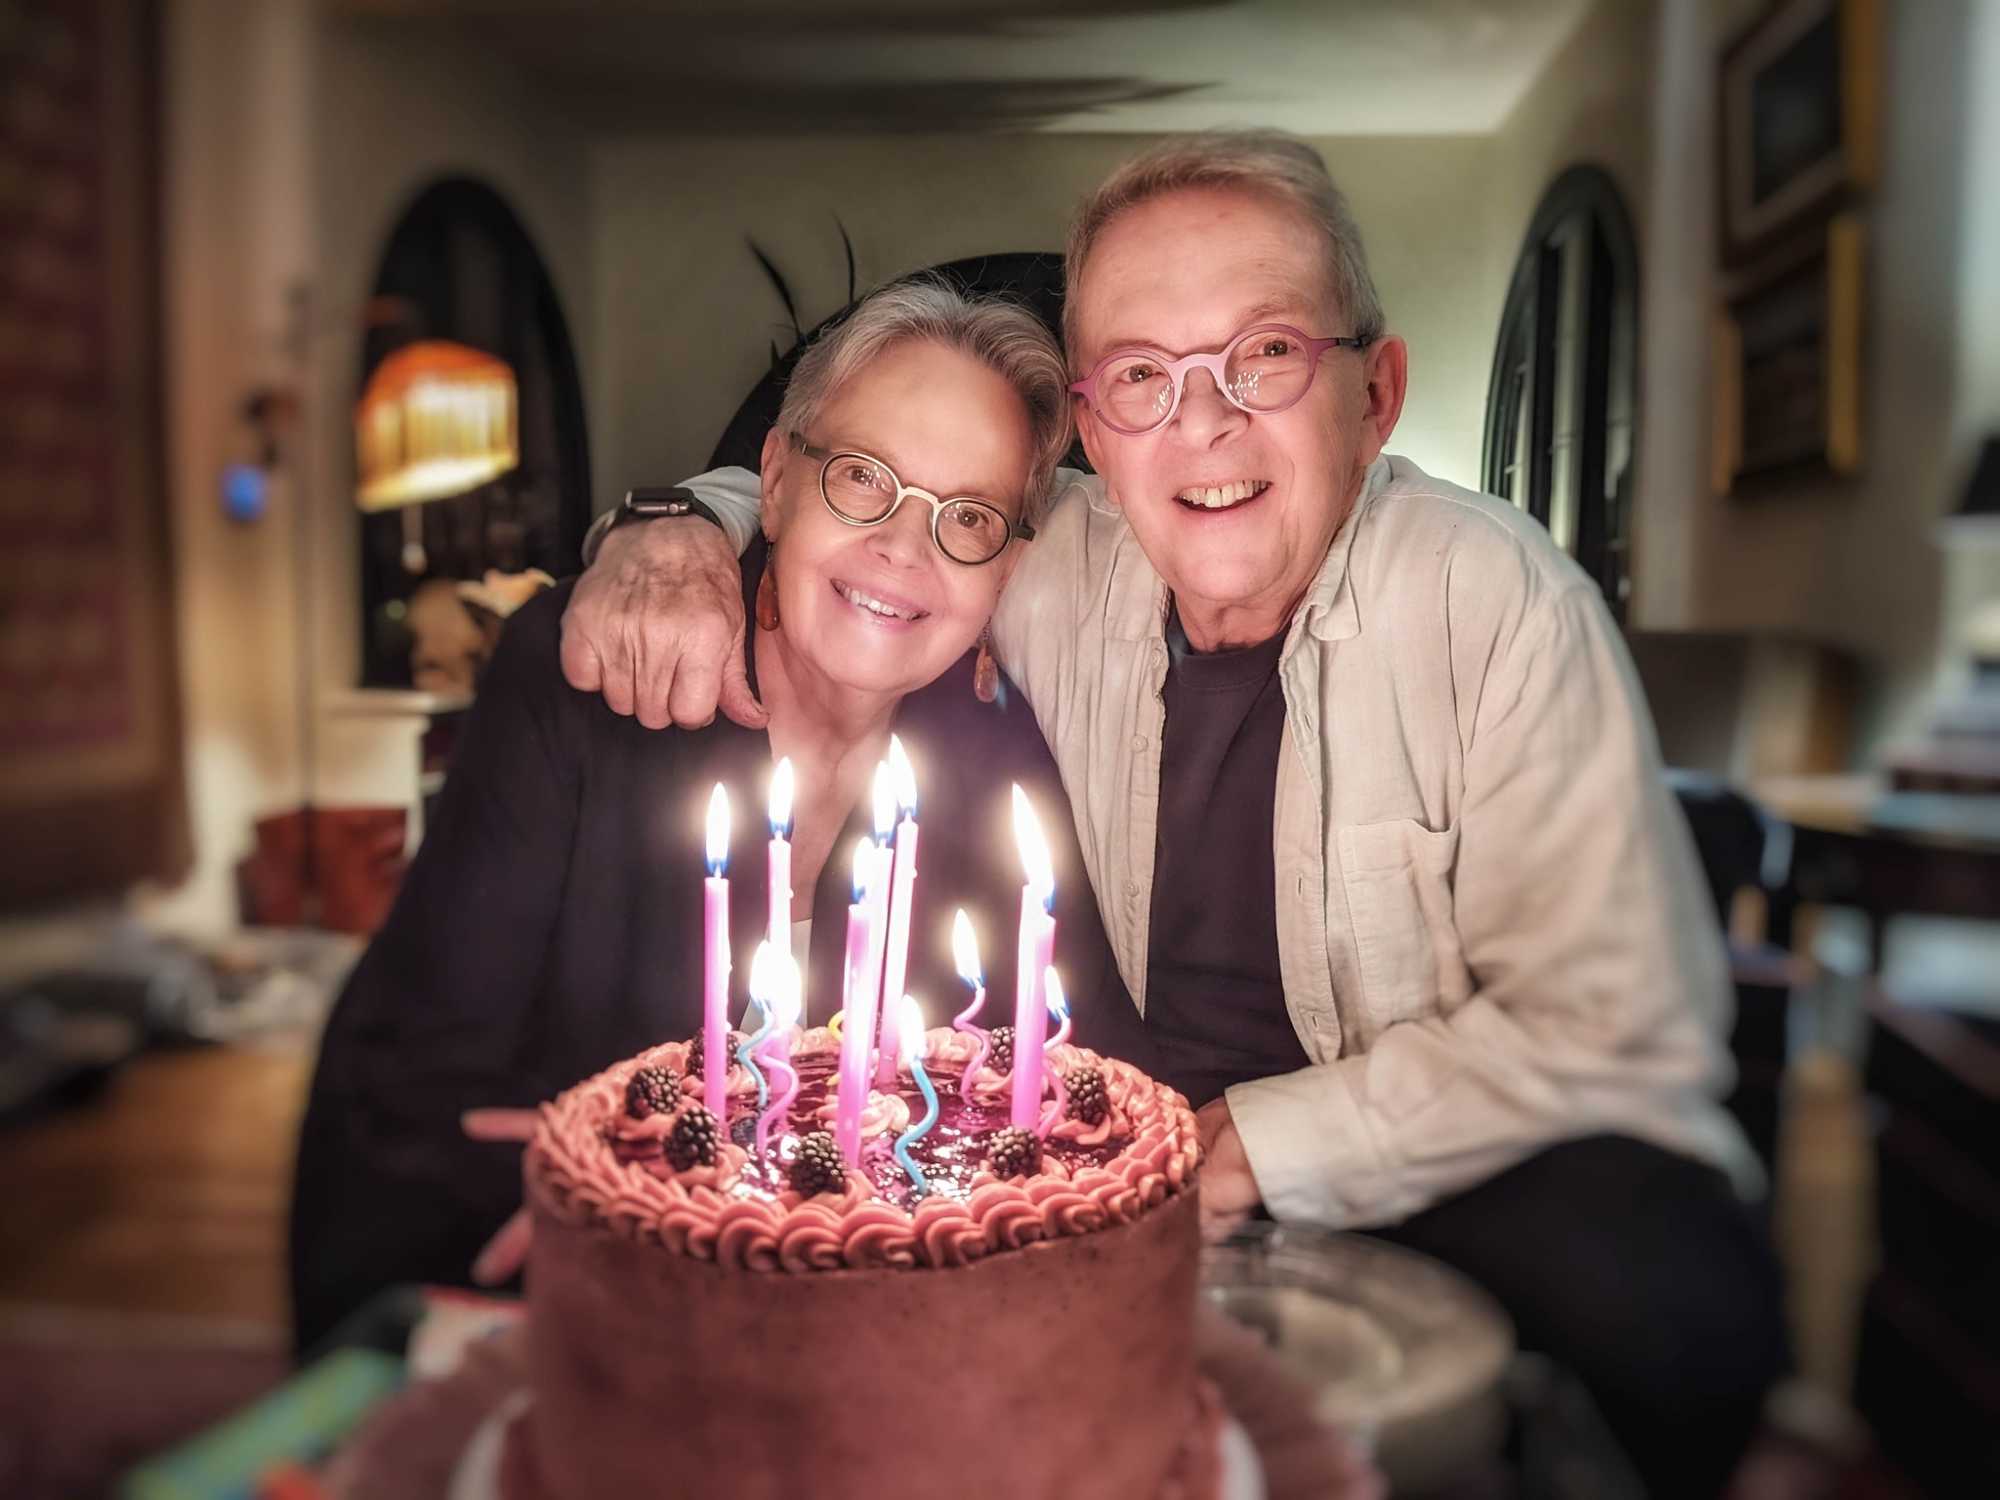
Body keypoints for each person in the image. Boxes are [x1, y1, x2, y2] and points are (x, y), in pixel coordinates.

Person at [558, 132, 1790, 1495]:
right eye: (1142, 377)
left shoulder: (1498, 604)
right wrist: (677, 517)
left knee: (1678, 1299)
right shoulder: (1049, 560)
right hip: (1114, 1147)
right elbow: (869, 513)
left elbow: (1614, 1019)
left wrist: (1262, 1146)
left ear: (1373, 394)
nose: (1199, 428)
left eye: (1263, 355)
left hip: (1447, 1156)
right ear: (1090, 428)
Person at [288, 281, 1149, 1353]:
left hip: (848, 1317)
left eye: (966, 516)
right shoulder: (590, 676)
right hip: (525, 1276)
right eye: (861, 480)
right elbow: (423, 1082)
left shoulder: (996, 764)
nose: (902, 547)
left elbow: (1072, 1084)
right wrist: (606, 1211)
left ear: (1005, 568)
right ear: (777, 485)